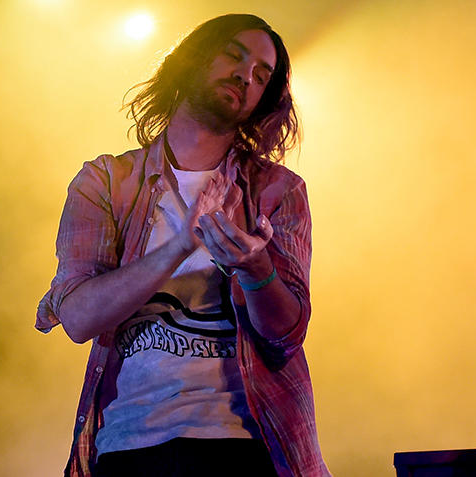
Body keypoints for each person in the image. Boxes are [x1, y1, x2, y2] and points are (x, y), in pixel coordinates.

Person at [36, 14, 331, 477]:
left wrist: (256, 269)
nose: (244, 75)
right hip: (133, 443)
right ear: (192, 58)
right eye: (234, 55)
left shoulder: (278, 190)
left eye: (261, 75)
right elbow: (77, 318)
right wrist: (177, 247)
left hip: (246, 443)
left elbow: (286, 335)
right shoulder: (106, 183)